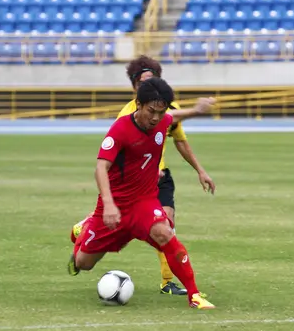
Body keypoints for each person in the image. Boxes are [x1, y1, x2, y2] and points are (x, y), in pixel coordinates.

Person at [70, 55, 216, 296]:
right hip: (120, 194)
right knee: (82, 263)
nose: (156, 117)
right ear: (137, 93)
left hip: (151, 187)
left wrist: (197, 113)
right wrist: (108, 204)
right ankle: (86, 227)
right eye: (143, 81)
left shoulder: (162, 111)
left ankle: (184, 289)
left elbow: (176, 126)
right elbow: (102, 167)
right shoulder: (123, 122)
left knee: (165, 229)